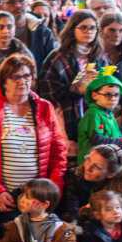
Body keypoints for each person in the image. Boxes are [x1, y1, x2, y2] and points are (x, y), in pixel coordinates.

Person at [0, 54, 67, 212]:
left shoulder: (45, 108)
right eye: (15, 77)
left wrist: (50, 191)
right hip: (3, 197)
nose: (22, 81)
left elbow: (59, 152)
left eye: (27, 75)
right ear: (4, 82)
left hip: (38, 197)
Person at [40, 10, 105, 147]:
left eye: (92, 28)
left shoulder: (99, 56)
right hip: (65, 119)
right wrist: (75, 89)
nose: (88, 31)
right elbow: (47, 93)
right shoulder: (57, 57)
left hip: (94, 118)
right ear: (72, 29)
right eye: (83, 27)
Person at [0, 0, 58, 69]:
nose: (18, 5)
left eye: (21, 1)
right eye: (11, 2)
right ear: (1, 7)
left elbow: (52, 66)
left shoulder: (43, 32)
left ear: (27, 3)